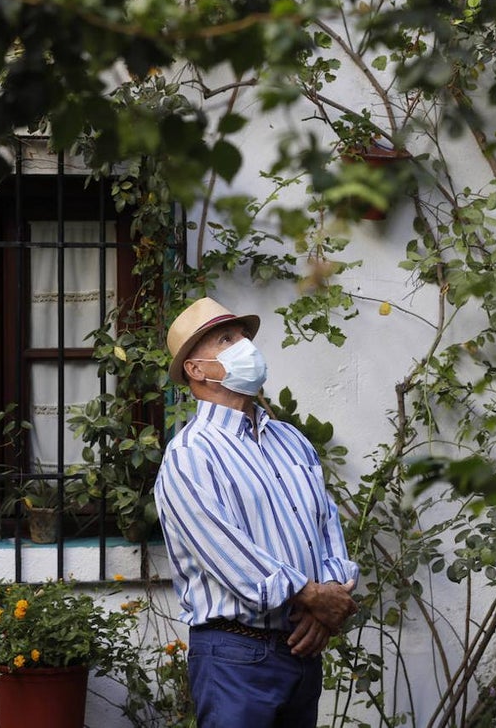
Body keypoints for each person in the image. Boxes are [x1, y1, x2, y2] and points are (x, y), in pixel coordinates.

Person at [155, 297, 359, 728]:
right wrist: (311, 595)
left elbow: (326, 525)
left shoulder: (291, 440)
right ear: (196, 370)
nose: (245, 344)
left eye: (243, 335)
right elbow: (230, 556)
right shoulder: (191, 455)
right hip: (235, 658)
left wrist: (331, 592)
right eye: (226, 339)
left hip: (303, 647)